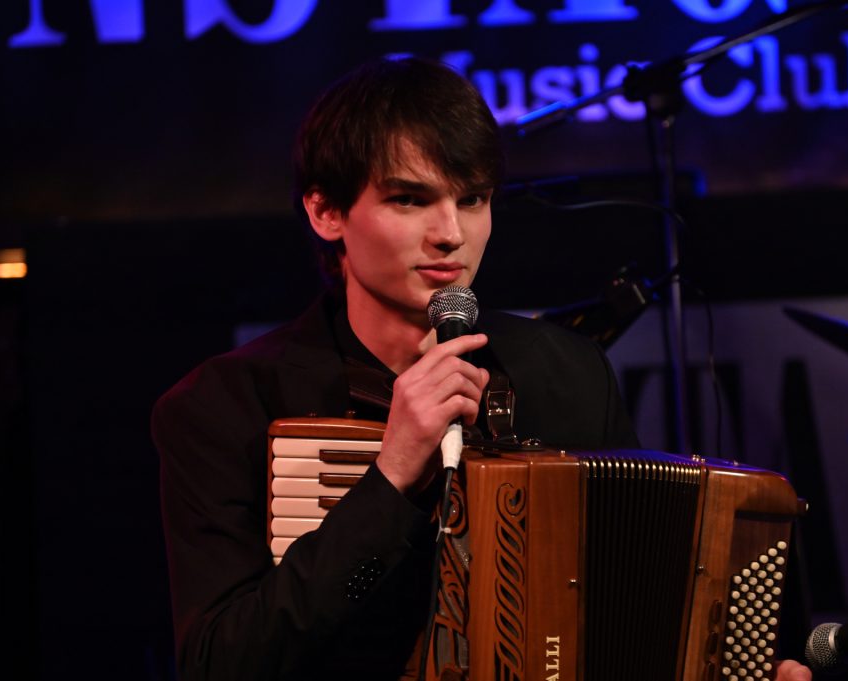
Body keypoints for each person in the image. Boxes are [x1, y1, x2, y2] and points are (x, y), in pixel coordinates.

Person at [152, 56, 811, 681]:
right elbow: (220, 665)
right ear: (326, 212)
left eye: (471, 199)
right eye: (409, 199)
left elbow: (636, 610)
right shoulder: (225, 406)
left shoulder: (567, 373)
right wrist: (389, 479)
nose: (451, 233)